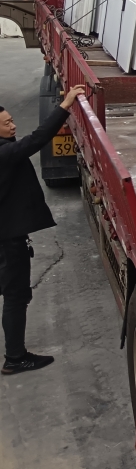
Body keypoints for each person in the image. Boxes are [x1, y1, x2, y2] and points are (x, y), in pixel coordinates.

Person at [0, 83, 86, 375]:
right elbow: (37, 139)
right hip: (8, 241)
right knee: (16, 297)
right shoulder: (4, 154)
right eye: (7, 123)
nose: (13, 126)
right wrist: (66, 105)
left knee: (11, 293)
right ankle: (15, 358)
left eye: (12, 120)